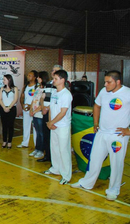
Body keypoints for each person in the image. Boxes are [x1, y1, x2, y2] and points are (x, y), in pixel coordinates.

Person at [71, 70, 130, 201]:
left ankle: (113, 190)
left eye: (109, 82)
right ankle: (87, 182)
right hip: (102, 133)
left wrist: (129, 131)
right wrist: (96, 123)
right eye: (105, 81)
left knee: (116, 163)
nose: (106, 84)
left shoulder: (128, 93)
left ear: (118, 82)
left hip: (118, 136)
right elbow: (97, 106)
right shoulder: (104, 91)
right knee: (94, 159)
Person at [44, 70, 73, 185]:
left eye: (55, 78)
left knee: (64, 150)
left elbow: (63, 112)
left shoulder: (66, 94)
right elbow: (51, 108)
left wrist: (52, 122)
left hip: (62, 127)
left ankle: (66, 175)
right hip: (54, 125)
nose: (53, 80)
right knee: (54, 148)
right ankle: (55, 168)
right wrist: (50, 122)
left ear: (62, 80)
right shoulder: (55, 93)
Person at [38, 64, 62, 162]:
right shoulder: (48, 84)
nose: (53, 72)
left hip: (54, 114)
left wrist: (48, 108)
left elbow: (57, 102)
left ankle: (55, 158)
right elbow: (42, 97)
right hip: (45, 113)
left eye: (56, 70)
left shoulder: (61, 86)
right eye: (53, 70)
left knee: (55, 138)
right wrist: (43, 107)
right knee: (46, 135)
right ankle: (47, 155)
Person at [29, 71, 49, 159]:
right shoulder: (37, 88)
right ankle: (37, 148)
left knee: (41, 133)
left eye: (39, 77)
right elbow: (34, 100)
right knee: (37, 132)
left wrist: (35, 111)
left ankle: (41, 150)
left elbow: (43, 104)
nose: (37, 78)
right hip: (35, 114)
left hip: (40, 114)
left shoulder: (46, 89)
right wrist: (31, 109)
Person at [17, 70, 38, 148]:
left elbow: (37, 99)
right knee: (26, 126)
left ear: (35, 77)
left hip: (34, 110)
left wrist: (31, 106)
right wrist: (22, 105)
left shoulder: (37, 87)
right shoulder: (25, 86)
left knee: (35, 128)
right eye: (28, 75)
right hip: (26, 110)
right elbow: (22, 97)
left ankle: (37, 145)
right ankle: (25, 143)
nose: (28, 77)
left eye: (30, 75)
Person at [0, 74, 18, 149]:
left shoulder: (14, 88)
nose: (3, 81)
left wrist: (9, 107)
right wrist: (4, 107)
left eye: (4, 80)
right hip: (3, 108)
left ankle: (9, 141)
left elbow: (15, 99)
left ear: (9, 80)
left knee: (10, 126)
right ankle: (4, 141)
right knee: (4, 125)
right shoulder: (2, 89)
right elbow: (0, 99)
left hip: (12, 109)